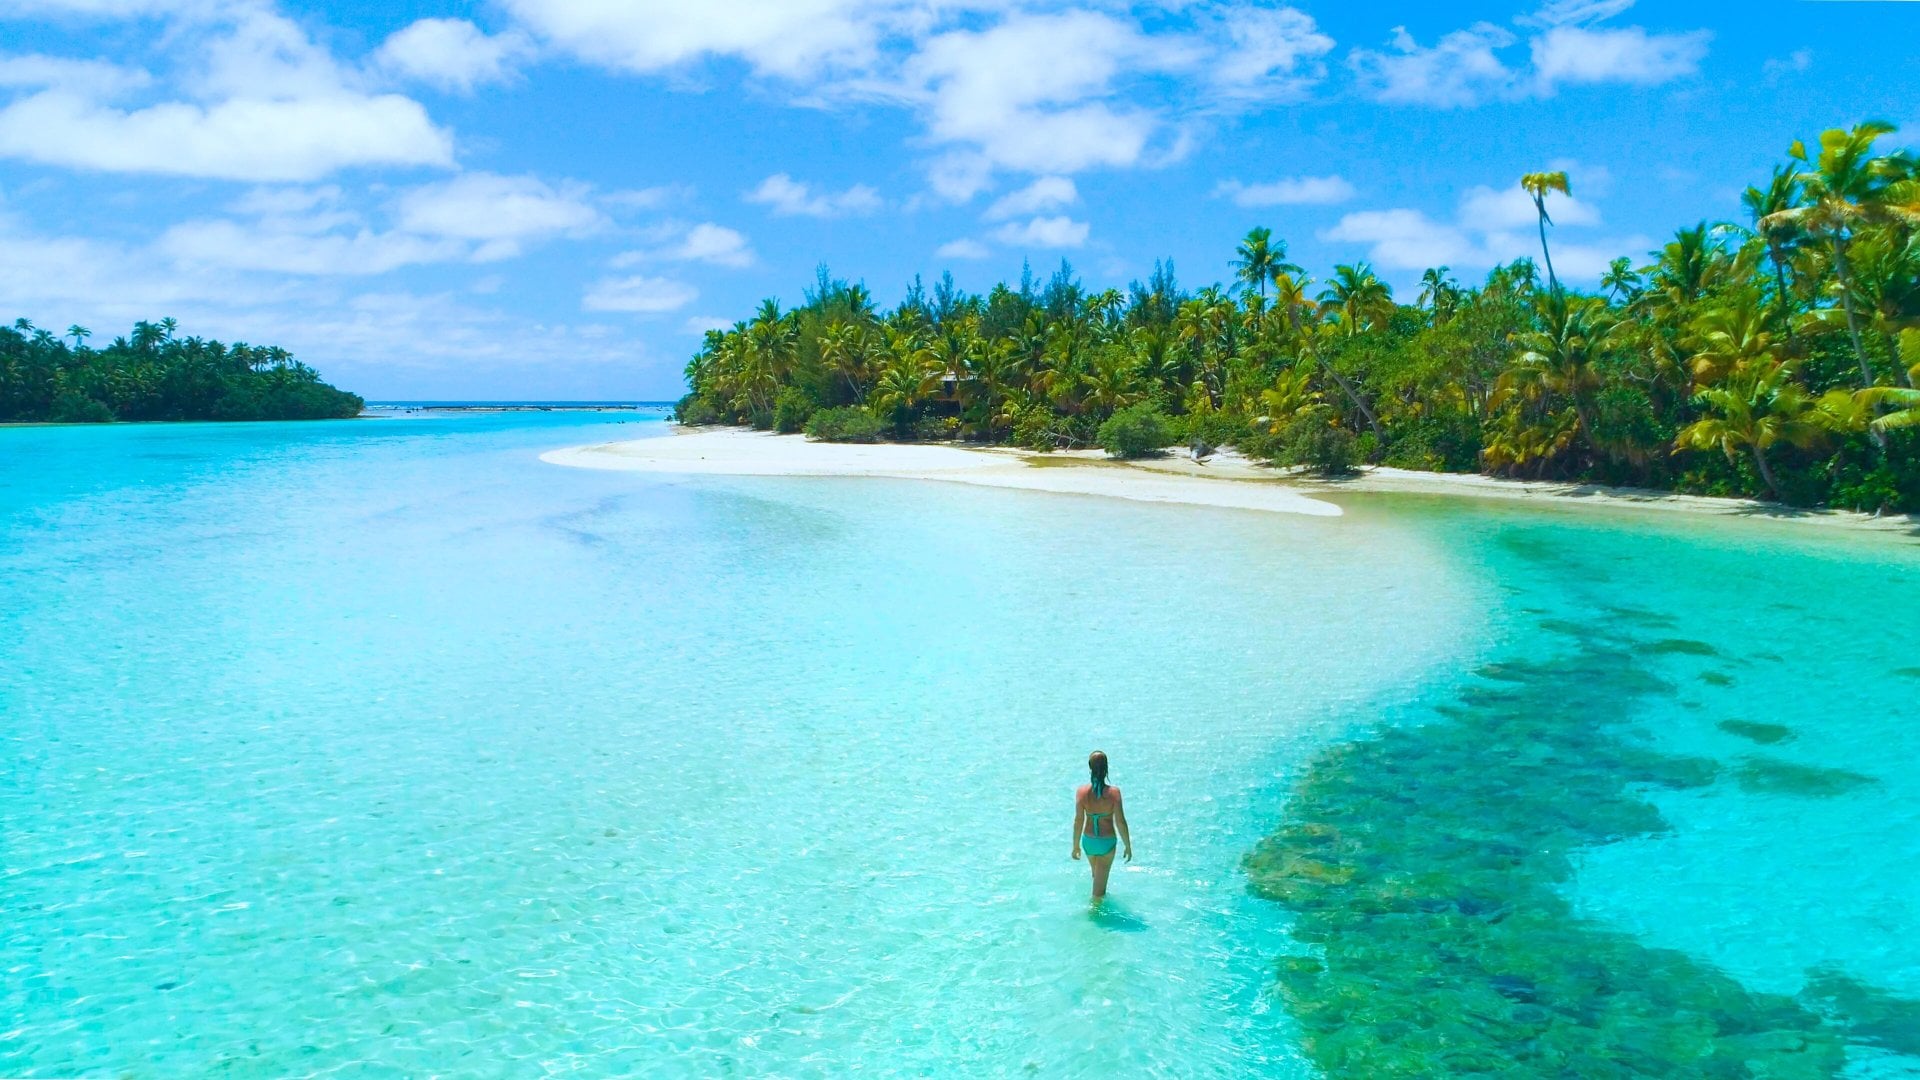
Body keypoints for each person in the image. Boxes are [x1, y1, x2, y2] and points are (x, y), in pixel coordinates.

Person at [1071, 750, 1132, 900]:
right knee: (1099, 893)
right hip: (1106, 843)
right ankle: (1094, 916)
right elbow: (1120, 822)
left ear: (1090, 767)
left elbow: (1078, 821)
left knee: (1096, 876)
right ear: (1106, 768)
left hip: (1089, 841)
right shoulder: (1114, 793)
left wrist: (1076, 845)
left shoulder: (1081, 792)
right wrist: (1128, 845)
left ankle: (1097, 903)